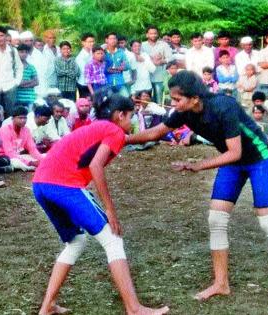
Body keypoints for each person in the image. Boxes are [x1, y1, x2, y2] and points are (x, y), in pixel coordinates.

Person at [127, 70, 268, 305]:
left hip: (259, 159)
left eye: (177, 99)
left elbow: (235, 151)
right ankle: (221, 283)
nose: (173, 104)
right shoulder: (183, 112)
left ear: (195, 98)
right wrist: (119, 139)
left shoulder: (223, 106)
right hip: (232, 163)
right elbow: (156, 132)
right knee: (216, 220)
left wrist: (198, 166)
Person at [32, 94, 169, 315]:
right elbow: (96, 166)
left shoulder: (100, 128)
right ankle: (133, 308)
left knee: (76, 241)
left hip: (40, 184)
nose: (133, 121)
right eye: (131, 116)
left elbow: (149, 135)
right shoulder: (113, 131)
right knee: (112, 239)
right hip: (64, 184)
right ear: (120, 115)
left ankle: (47, 306)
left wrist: (182, 117)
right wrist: (110, 210)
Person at [0, 25, 23, 117]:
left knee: (11, 114)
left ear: (6, 36)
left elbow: (19, 67)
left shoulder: (13, 51)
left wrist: (16, 82)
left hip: (10, 86)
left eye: (1, 35)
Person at [0, 106, 44, 172]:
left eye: (25, 118)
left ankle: (29, 166)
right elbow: (9, 154)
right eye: (20, 118)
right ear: (13, 118)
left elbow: (32, 149)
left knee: (42, 156)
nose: (23, 120)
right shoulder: (5, 130)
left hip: (18, 156)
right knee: (16, 161)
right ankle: (28, 166)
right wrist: (31, 163)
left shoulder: (26, 130)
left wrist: (42, 160)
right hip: (5, 157)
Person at [141, 25, 172, 104]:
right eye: (151, 33)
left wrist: (161, 61)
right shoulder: (142, 45)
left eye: (155, 33)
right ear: (147, 35)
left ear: (157, 34)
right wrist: (151, 60)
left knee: (159, 100)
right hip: (146, 78)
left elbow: (170, 58)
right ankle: (147, 116)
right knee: (146, 101)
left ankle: (159, 115)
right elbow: (139, 58)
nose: (153, 35)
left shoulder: (163, 44)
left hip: (159, 77)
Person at [20, 31, 48, 98]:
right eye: (26, 41)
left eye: (31, 40)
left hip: (39, 90)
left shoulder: (40, 55)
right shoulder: (18, 55)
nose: (29, 43)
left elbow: (43, 75)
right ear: (21, 42)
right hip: (22, 91)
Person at [104, 32, 129, 96]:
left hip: (120, 83)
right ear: (106, 40)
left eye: (115, 38)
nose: (113, 40)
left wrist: (121, 68)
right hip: (107, 84)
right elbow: (102, 69)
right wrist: (117, 69)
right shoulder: (103, 52)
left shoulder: (121, 52)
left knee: (126, 98)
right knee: (109, 102)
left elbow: (127, 66)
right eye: (111, 38)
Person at [16, 44, 38, 108]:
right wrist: (31, 81)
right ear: (17, 53)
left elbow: (36, 82)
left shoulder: (31, 67)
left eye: (26, 52)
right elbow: (17, 83)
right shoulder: (14, 67)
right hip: (17, 99)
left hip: (30, 98)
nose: (24, 54)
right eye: (21, 52)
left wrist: (22, 83)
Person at [76, 33, 95, 98]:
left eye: (93, 41)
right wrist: (92, 92)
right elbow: (86, 74)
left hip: (93, 83)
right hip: (84, 85)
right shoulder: (80, 57)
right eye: (89, 42)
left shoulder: (92, 52)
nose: (92, 43)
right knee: (86, 105)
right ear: (83, 43)